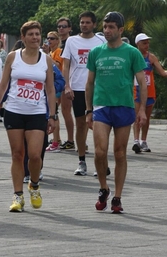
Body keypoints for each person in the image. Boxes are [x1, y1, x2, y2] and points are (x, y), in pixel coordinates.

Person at [0, 21, 56, 212]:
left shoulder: (46, 60)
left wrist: (52, 115)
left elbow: (50, 90)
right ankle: (17, 196)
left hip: (36, 113)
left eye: (37, 34)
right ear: (23, 38)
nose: (35, 37)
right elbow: (2, 86)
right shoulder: (13, 57)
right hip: (14, 111)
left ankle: (34, 185)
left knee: (35, 156)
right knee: (17, 155)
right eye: (31, 34)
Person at [85, 11, 148, 213]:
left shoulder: (132, 53)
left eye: (112, 27)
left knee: (120, 153)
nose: (107, 30)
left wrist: (143, 110)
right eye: (105, 27)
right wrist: (88, 110)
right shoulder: (96, 52)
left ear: (121, 30)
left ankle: (117, 198)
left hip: (124, 106)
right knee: (100, 151)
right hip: (101, 106)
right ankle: (104, 188)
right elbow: (89, 83)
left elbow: (141, 82)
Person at [62, 11, 106, 175]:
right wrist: (67, 86)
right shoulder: (71, 41)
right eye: (82, 22)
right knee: (81, 124)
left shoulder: (101, 41)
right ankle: (82, 161)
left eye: (88, 22)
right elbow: (65, 65)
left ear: (94, 25)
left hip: (98, 88)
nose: (84, 25)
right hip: (78, 89)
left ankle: (101, 162)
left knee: (100, 125)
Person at [131, 33, 167, 153]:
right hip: (136, 91)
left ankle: (144, 141)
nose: (147, 45)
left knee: (146, 118)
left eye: (148, 43)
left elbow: (162, 72)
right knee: (137, 116)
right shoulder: (132, 56)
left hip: (149, 91)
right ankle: (136, 141)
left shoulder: (151, 58)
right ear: (138, 44)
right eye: (144, 43)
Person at [56, 17, 75, 150]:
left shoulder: (70, 42)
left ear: (69, 29)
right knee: (63, 111)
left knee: (67, 111)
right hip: (62, 82)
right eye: (59, 26)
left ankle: (71, 140)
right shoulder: (60, 44)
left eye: (64, 26)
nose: (61, 28)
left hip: (70, 82)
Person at [45, 31, 64, 152]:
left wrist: (47, 57)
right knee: (53, 111)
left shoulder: (58, 52)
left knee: (54, 113)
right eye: (48, 38)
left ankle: (56, 142)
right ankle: (56, 139)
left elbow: (58, 65)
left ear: (57, 40)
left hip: (56, 84)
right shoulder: (51, 52)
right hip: (50, 84)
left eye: (52, 38)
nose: (49, 40)